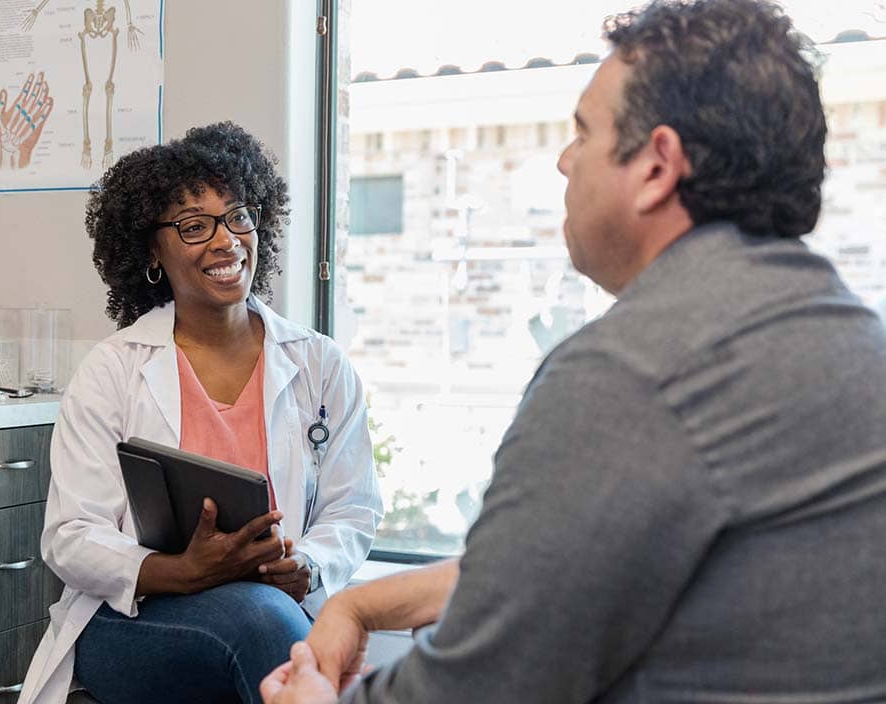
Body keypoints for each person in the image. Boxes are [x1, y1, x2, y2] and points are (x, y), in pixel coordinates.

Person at [262, 0, 886, 702]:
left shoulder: (632, 373)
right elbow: (554, 567)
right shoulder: (850, 337)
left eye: (583, 134)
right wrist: (359, 603)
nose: (563, 161)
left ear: (656, 167)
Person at [18, 121, 383, 704]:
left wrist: (307, 566)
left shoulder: (319, 364)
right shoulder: (114, 370)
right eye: (194, 226)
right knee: (266, 626)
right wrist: (182, 571)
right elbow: (70, 536)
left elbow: (353, 508)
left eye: (238, 215)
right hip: (134, 621)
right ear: (151, 253)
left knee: (266, 619)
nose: (226, 241)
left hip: (277, 607)